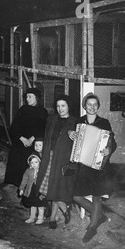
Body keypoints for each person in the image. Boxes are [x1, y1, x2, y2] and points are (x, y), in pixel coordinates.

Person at [70, 93, 116, 243]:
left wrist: (109, 149)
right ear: (85, 106)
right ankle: (99, 216)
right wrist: (71, 134)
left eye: (95, 104)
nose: (92, 107)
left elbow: (111, 142)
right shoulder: (79, 121)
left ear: (98, 106)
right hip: (83, 164)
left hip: (99, 165)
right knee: (76, 196)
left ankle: (92, 227)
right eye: (89, 104)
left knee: (97, 196)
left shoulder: (104, 123)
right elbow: (74, 139)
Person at [36, 95, 78, 229]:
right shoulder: (51, 119)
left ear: (69, 106)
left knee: (54, 188)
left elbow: (77, 144)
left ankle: (53, 218)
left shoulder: (75, 122)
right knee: (50, 187)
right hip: (49, 156)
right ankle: (64, 209)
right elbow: (47, 137)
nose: (60, 109)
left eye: (63, 106)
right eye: (58, 106)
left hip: (63, 158)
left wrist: (73, 135)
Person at [4, 88, 49, 186]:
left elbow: (43, 128)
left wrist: (32, 138)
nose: (27, 99)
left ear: (36, 98)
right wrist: (22, 138)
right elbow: (14, 126)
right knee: (17, 163)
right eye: (26, 97)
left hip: (34, 143)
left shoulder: (42, 111)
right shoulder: (23, 109)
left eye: (30, 97)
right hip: (20, 142)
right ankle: (19, 185)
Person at [19, 154, 47, 225]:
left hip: (40, 190)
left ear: (39, 162)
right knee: (33, 205)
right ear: (29, 163)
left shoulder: (43, 171)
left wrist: (45, 192)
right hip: (31, 190)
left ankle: (40, 218)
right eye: (32, 162)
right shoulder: (28, 171)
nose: (34, 164)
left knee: (40, 205)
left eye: (36, 162)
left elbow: (46, 180)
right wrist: (21, 189)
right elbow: (24, 180)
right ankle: (32, 217)